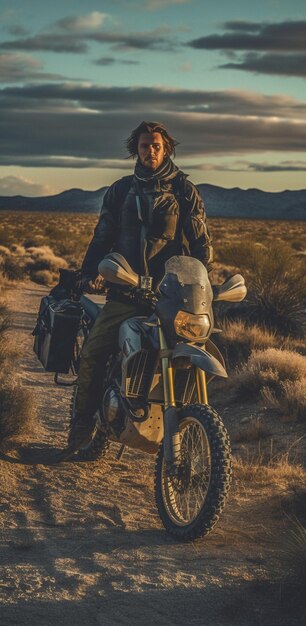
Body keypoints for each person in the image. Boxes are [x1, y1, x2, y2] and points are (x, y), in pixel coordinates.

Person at [67, 121, 214, 452]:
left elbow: (202, 244)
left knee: (191, 351)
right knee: (93, 353)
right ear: (137, 149)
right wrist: (91, 270)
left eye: (157, 146)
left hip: (171, 295)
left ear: (167, 149)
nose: (151, 150)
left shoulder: (184, 191)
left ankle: (192, 429)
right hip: (127, 290)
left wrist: (205, 284)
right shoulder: (121, 190)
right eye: (146, 145)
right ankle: (81, 427)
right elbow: (104, 233)